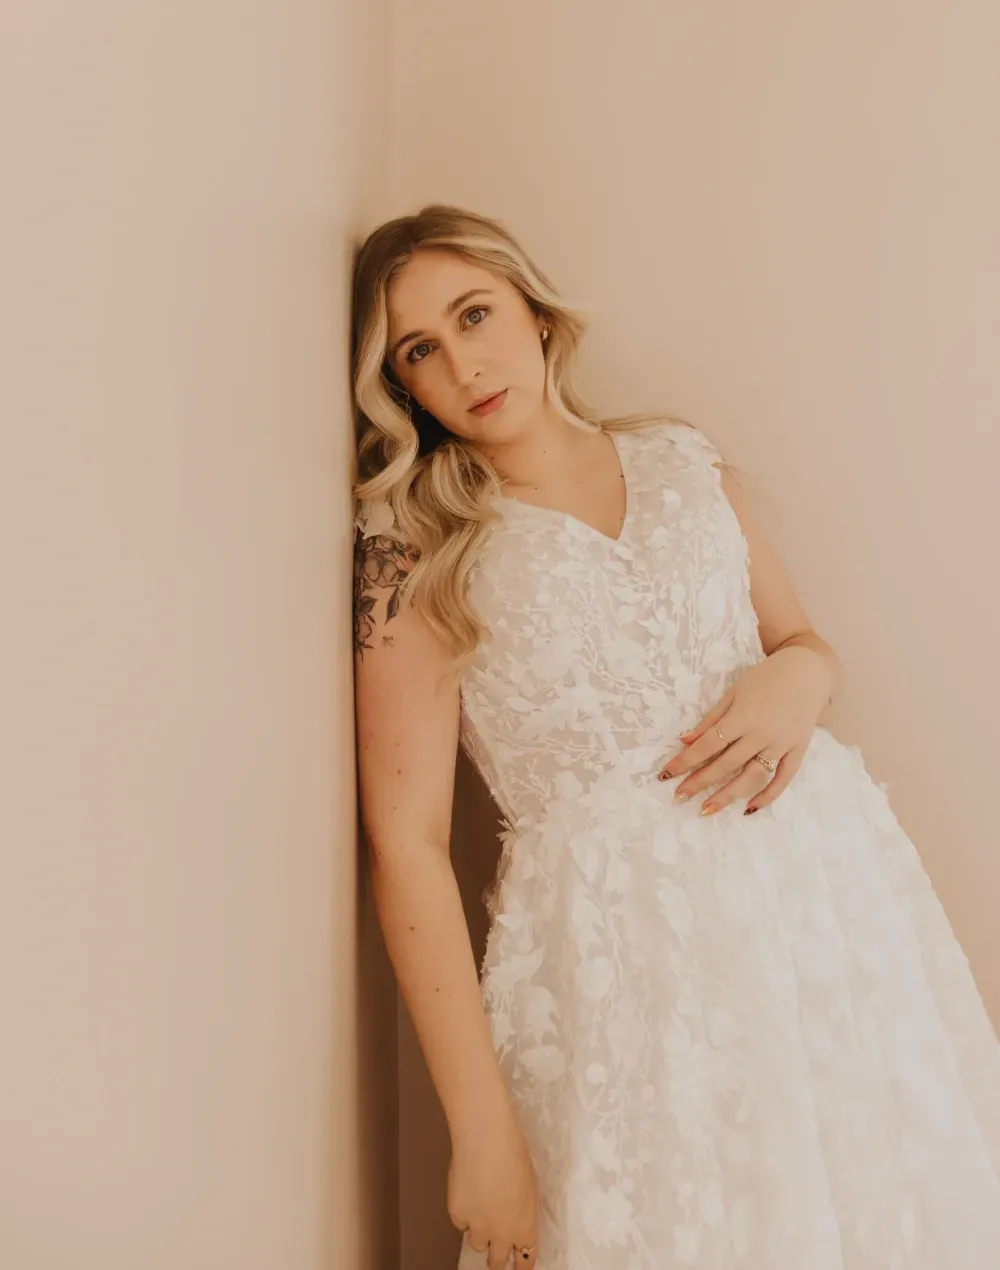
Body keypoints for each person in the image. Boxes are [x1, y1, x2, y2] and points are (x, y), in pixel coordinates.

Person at [350, 204, 1000, 1270]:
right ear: (402, 385)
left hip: (821, 922)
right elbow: (408, 843)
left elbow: (801, 639)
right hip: (624, 966)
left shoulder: (678, 459)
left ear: (538, 314)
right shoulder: (415, 545)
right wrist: (481, 1133)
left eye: (476, 314)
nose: (462, 362)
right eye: (420, 349)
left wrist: (799, 676)